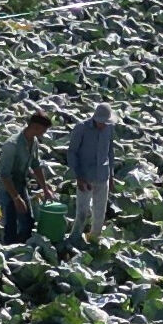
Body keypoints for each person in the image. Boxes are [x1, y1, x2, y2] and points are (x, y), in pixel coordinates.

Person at [0, 112, 52, 244]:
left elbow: (36, 165)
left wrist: (45, 188)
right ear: (35, 127)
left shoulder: (34, 141)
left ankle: (22, 247)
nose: (44, 133)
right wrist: (16, 198)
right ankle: (9, 250)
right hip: (7, 188)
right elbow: (4, 175)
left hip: (21, 184)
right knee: (11, 223)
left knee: (27, 220)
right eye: (44, 130)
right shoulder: (12, 145)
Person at [65, 101, 116, 236]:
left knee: (100, 213)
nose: (103, 124)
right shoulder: (81, 128)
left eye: (105, 122)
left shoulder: (109, 129)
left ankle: (94, 239)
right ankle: (74, 238)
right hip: (85, 177)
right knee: (82, 213)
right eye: (101, 122)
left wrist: (111, 176)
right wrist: (78, 177)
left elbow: (110, 152)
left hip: (102, 176)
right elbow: (72, 153)